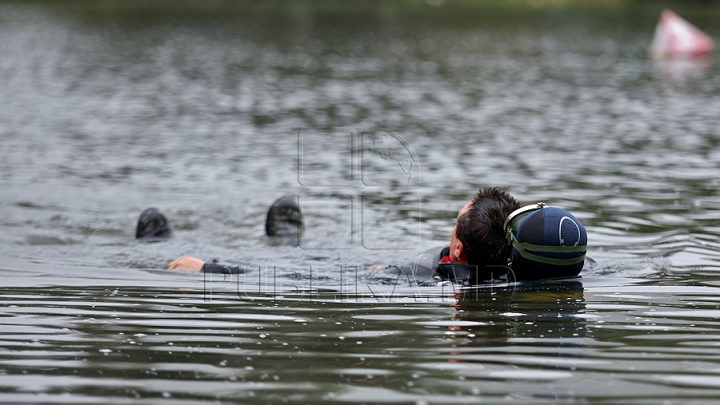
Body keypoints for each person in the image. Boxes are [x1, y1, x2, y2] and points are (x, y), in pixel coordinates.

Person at [146, 188, 589, 283]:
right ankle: (288, 239)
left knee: (311, 262)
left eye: (454, 219)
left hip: (371, 270)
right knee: (325, 252)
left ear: (456, 247)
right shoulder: (519, 268)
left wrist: (209, 268)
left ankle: (287, 243)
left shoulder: (423, 277)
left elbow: (307, 285)